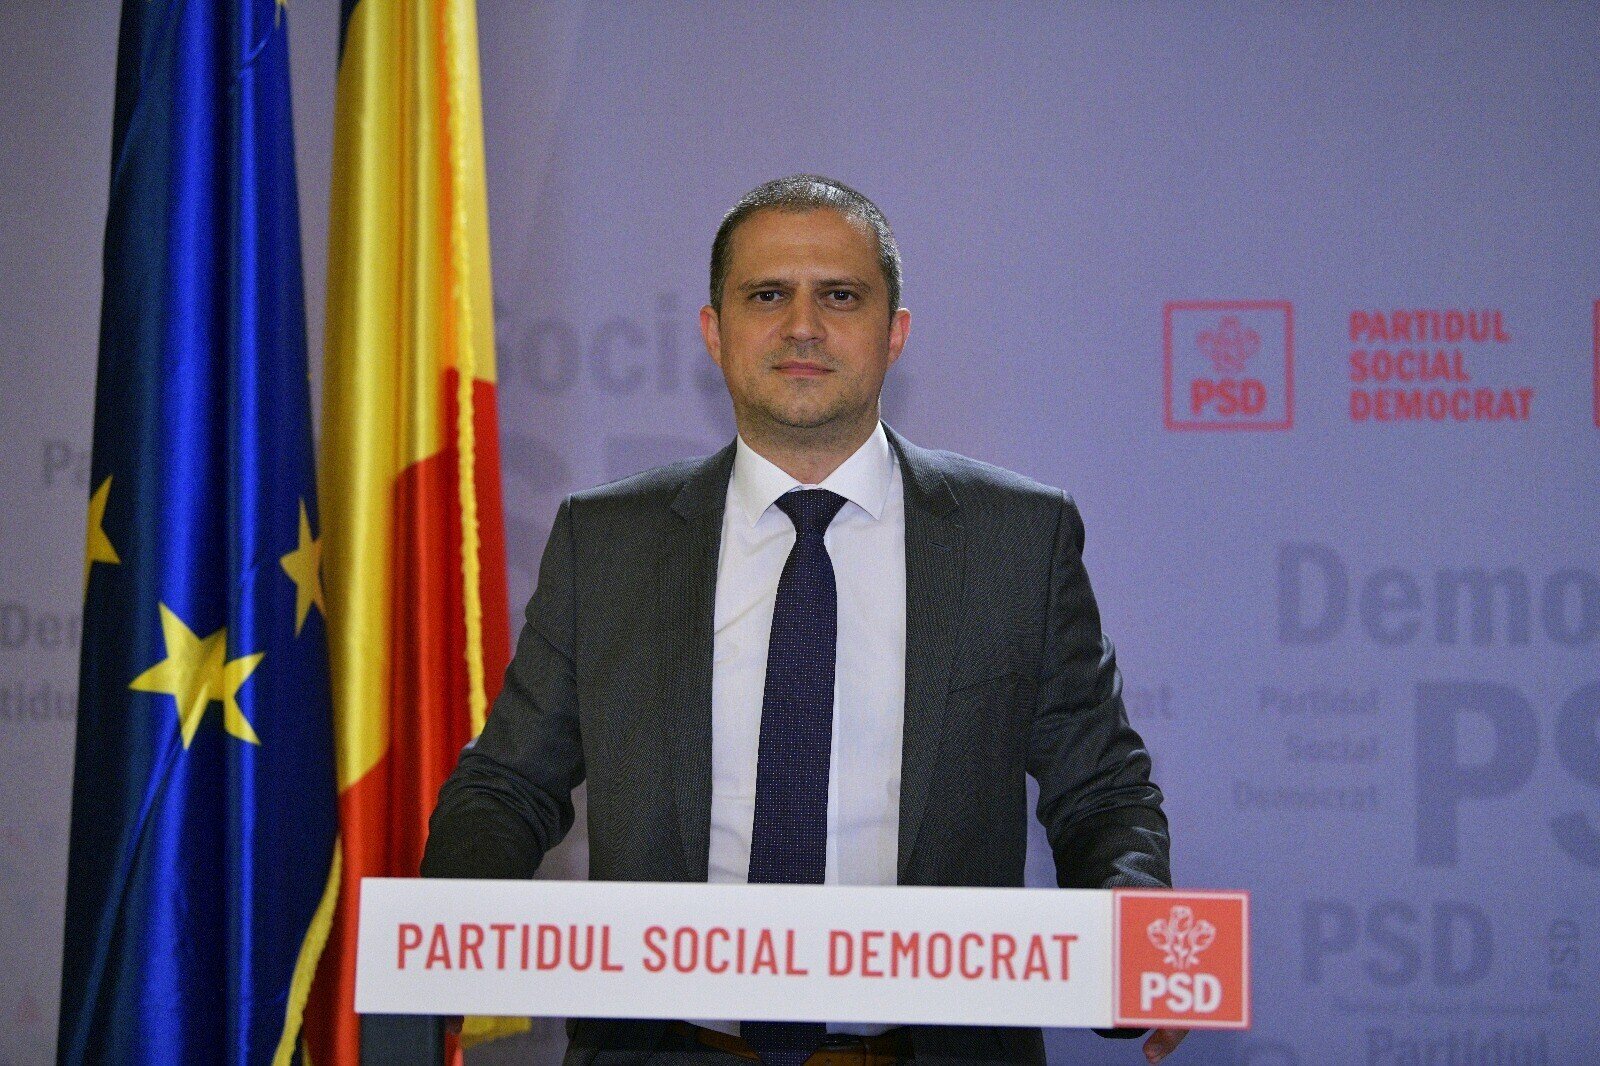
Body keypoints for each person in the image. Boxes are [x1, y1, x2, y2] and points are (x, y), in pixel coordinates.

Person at [422, 175, 1185, 1065]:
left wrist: (1137, 928)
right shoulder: (609, 542)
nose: (803, 326)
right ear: (714, 332)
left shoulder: (1016, 538)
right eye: (766, 295)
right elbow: (510, 784)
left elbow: (1101, 791)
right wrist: (442, 934)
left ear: (895, 332)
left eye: (841, 296)